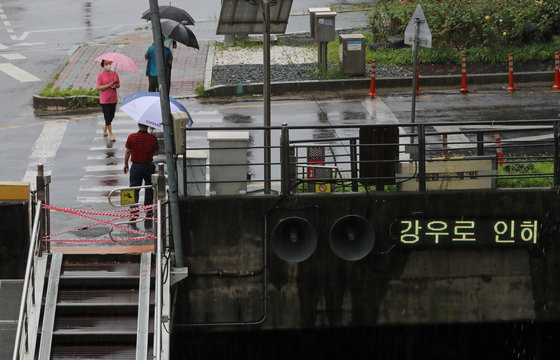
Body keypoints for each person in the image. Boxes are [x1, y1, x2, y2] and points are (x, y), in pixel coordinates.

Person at [124, 123, 159, 220]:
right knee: (149, 188)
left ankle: (134, 212)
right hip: (148, 166)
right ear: (148, 126)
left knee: (134, 188)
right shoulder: (152, 138)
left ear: (138, 125)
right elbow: (156, 152)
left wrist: (126, 164)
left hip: (136, 166)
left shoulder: (132, 137)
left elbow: (128, 151)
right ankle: (149, 210)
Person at [96, 59, 120, 141]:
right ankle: (111, 134)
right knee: (107, 117)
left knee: (111, 116)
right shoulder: (100, 75)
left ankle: (105, 127)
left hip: (113, 98)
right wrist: (108, 85)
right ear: (103, 65)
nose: (108, 65)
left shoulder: (115, 74)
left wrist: (115, 85)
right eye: (106, 64)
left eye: (110, 63)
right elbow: (98, 87)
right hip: (104, 100)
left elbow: (118, 84)